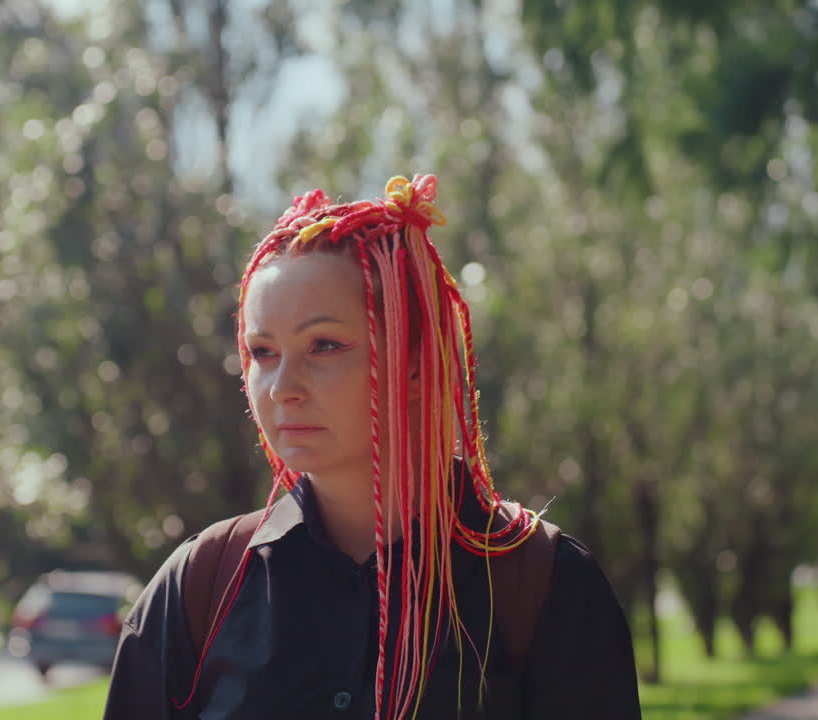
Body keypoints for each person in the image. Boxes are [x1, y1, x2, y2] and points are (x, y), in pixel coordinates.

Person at [104, 175, 641, 719]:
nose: (283, 386)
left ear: (410, 362)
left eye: (325, 345)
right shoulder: (201, 583)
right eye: (262, 351)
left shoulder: (542, 583)